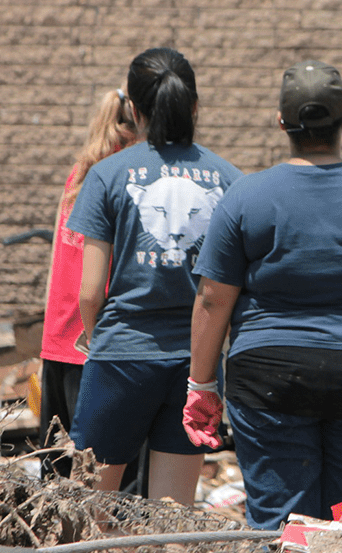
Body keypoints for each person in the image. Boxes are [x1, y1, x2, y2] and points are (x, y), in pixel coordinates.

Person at [185, 59, 342, 530]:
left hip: (269, 379)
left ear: (281, 123)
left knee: (282, 526)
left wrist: (201, 386)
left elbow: (212, 300)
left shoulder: (244, 197)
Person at [66, 47, 242, 506]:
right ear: (194, 105)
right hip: (196, 366)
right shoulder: (229, 179)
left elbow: (90, 292)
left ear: (134, 108)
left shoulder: (107, 175)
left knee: (90, 510)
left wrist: (96, 338)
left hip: (120, 355)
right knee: (172, 514)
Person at [39, 87, 136, 479]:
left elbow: (56, 262)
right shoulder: (125, 179)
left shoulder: (78, 174)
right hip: (95, 339)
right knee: (104, 476)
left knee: (58, 472)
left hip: (59, 337)